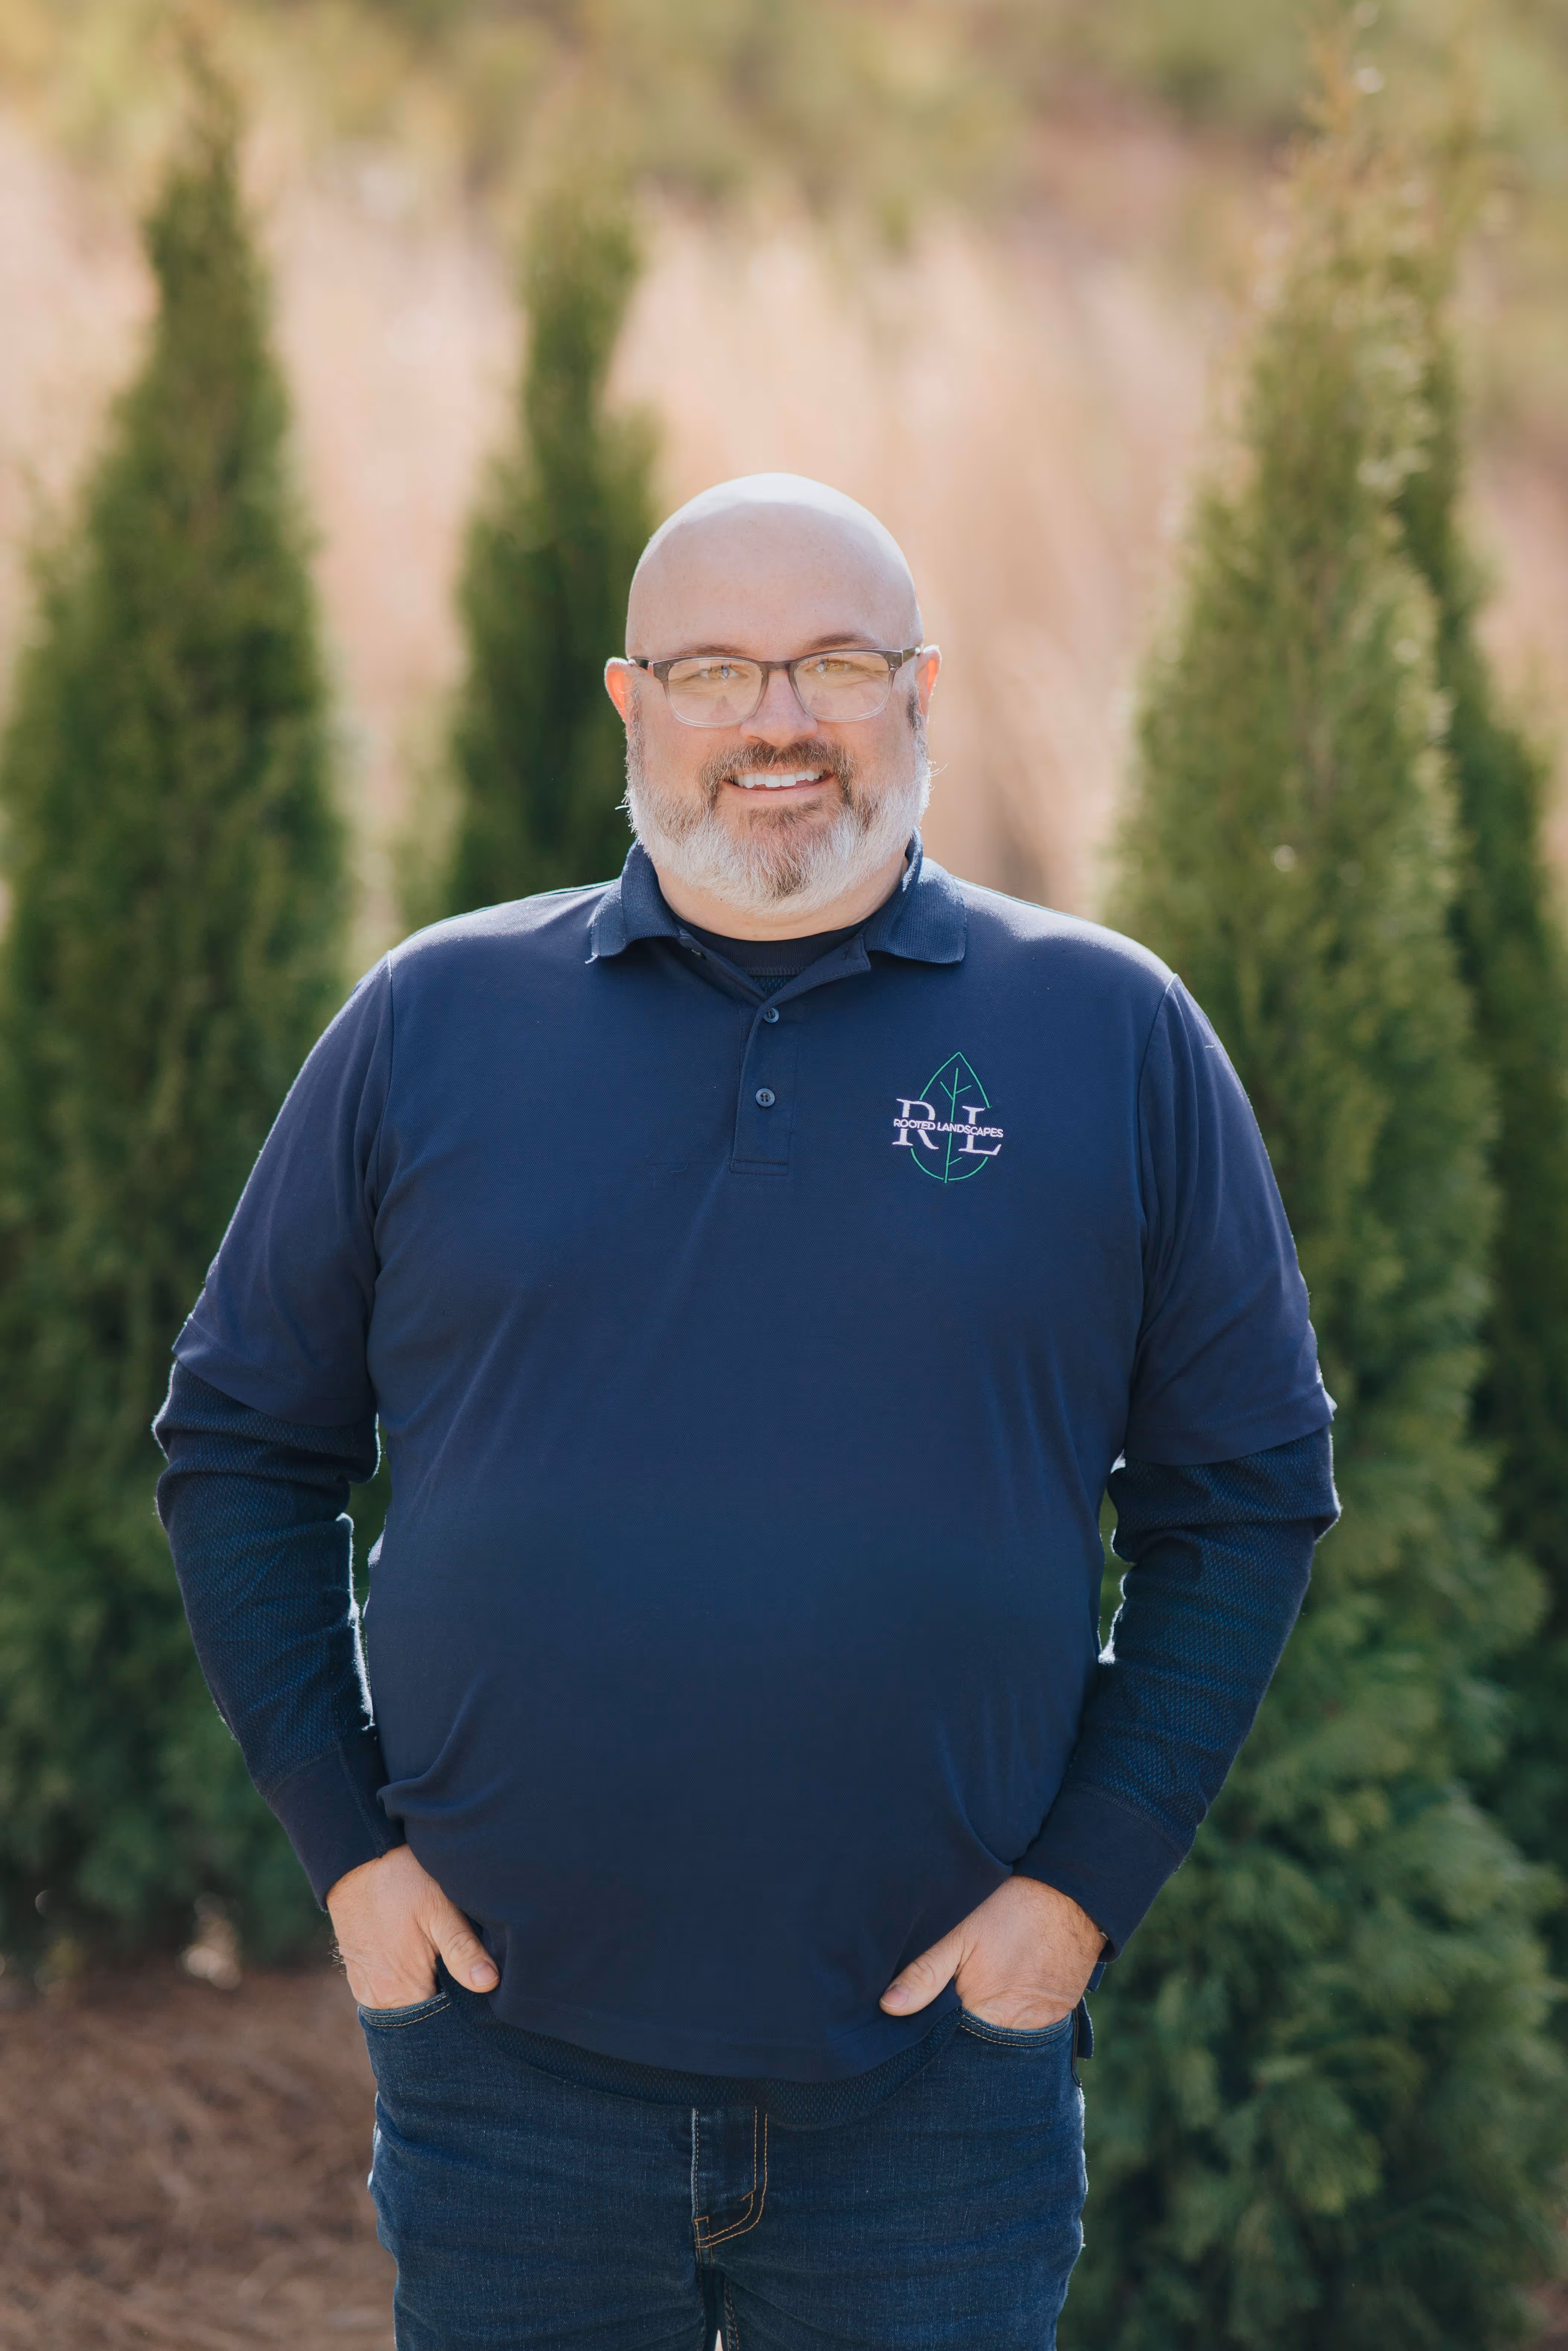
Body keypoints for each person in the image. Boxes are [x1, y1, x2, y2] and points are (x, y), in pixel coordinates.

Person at [155, 473, 1338, 2350]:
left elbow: (1249, 1492)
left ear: (918, 693)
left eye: (834, 664)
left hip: (934, 2092)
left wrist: (1076, 1894)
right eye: (717, 667)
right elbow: (239, 1442)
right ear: (634, 702)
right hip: (506, 2069)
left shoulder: (1109, 1035)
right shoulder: (432, 1018)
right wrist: (346, 1853)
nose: (777, 719)